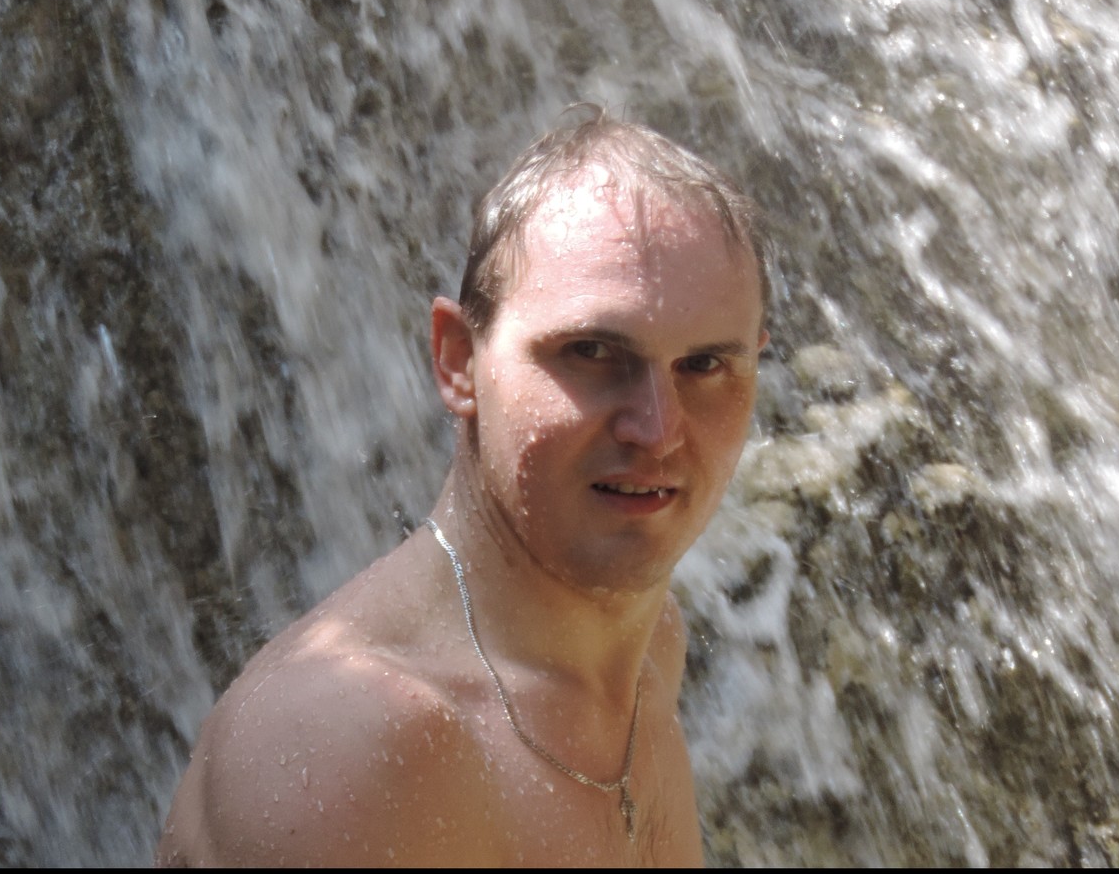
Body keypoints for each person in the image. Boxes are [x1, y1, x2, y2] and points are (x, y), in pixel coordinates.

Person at [157, 107, 770, 867]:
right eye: (591, 350)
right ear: (457, 359)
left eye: (706, 365)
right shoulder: (362, 755)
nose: (656, 426)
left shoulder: (646, 649)